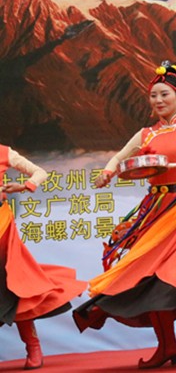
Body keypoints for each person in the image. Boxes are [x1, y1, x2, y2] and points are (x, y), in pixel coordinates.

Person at [73, 61, 176, 369]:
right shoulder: (146, 134)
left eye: (165, 94)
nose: (159, 100)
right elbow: (120, 157)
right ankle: (167, 346)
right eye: (153, 96)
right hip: (157, 210)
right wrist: (108, 172)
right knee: (150, 277)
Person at [0, 146, 86, 370]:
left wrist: (24, 186)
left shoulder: (4, 152)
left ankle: (33, 346)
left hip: (1, 227)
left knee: (17, 287)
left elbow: (40, 173)